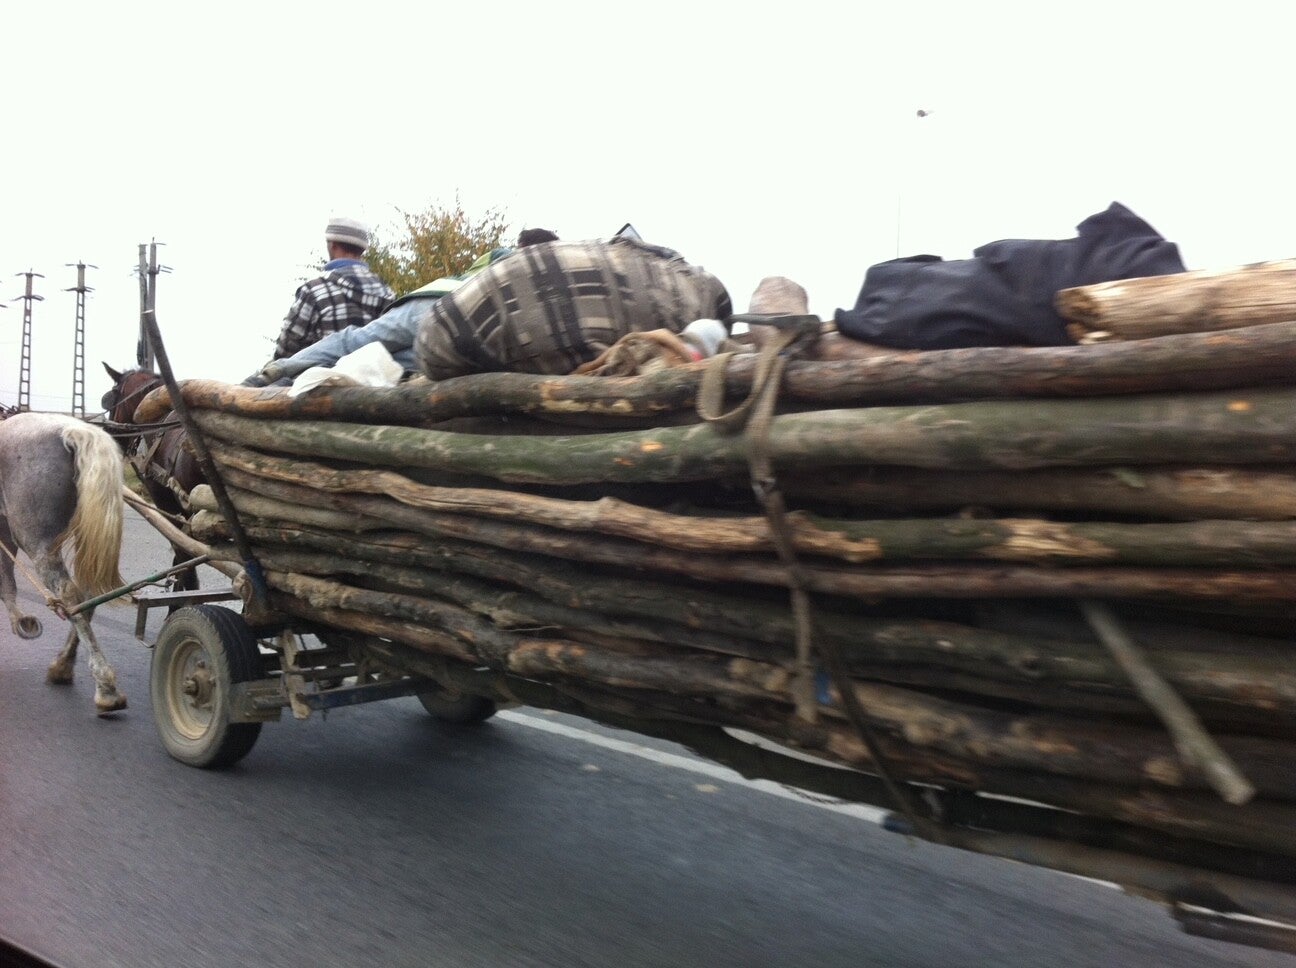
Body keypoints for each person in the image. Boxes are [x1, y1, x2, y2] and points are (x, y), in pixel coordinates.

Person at [243, 228, 559, 387]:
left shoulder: (498, 257)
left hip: (431, 303)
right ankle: (288, 381)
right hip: (469, 325)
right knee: (384, 365)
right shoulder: (538, 274)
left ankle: (273, 376)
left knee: (353, 342)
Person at [271, 217, 395, 360]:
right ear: (362, 250)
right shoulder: (386, 293)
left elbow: (288, 347)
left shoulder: (314, 291)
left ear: (333, 246)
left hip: (325, 373)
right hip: (377, 372)